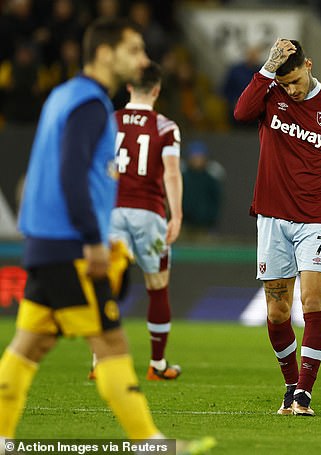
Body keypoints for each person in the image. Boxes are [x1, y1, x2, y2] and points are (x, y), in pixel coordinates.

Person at [0, 18, 213, 453]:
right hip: (71, 244)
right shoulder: (90, 104)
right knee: (111, 341)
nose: (143, 59)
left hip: (46, 241)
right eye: (134, 49)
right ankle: (151, 444)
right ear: (104, 53)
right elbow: (72, 175)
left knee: (30, 345)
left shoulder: (65, 95)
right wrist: (93, 241)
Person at [234, 38, 321, 417]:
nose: (291, 90)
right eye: (285, 83)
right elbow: (241, 113)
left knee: (313, 302)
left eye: (295, 80)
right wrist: (266, 71)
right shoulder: (270, 92)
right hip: (272, 216)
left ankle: (304, 394)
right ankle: (290, 385)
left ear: (309, 65)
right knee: (278, 313)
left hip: (315, 218)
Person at [108, 60, 183, 380]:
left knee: (106, 285)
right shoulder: (166, 127)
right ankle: (157, 364)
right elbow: (170, 172)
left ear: (128, 87)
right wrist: (176, 214)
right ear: (156, 90)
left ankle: (101, 363)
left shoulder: (108, 121)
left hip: (111, 211)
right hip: (149, 213)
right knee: (157, 286)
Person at [181, 140, 224, 238]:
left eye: (200, 156)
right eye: (194, 156)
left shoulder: (211, 178)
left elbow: (215, 201)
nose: (197, 159)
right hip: (184, 225)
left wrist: (211, 221)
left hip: (204, 226)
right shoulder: (183, 177)